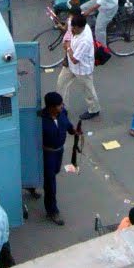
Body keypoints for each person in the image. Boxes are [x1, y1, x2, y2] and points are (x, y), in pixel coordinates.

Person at [39, 92, 78, 226]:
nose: (62, 106)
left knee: (54, 172)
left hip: (59, 151)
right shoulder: (40, 120)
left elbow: (67, 125)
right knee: (50, 182)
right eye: (59, 105)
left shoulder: (62, 113)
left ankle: (33, 185)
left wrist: (74, 130)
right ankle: (52, 210)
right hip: (46, 154)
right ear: (51, 107)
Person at [57, 13, 100, 120]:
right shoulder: (77, 25)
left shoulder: (85, 41)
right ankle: (61, 108)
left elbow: (75, 60)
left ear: (80, 27)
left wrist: (67, 48)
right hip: (70, 66)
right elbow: (68, 32)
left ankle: (94, 109)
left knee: (88, 90)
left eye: (74, 29)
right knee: (61, 83)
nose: (72, 30)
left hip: (82, 68)